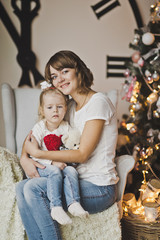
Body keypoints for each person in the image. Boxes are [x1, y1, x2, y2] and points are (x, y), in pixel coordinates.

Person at [16, 50, 119, 240]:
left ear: (78, 70)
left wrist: (39, 154)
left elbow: (82, 155)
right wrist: (24, 158)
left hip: (99, 188)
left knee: (32, 189)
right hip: (74, 181)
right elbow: (37, 131)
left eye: (64, 71)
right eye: (54, 76)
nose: (60, 79)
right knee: (20, 187)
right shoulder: (67, 106)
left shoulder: (98, 103)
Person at [29, 85, 88, 225]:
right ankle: (55, 207)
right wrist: (51, 163)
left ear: (65, 109)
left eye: (59, 107)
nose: (55, 110)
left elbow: (72, 146)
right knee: (55, 171)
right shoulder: (39, 128)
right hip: (40, 166)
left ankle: (73, 203)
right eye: (49, 107)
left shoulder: (65, 127)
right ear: (42, 111)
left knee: (71, 170)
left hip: (61, 164)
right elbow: (33, 153)